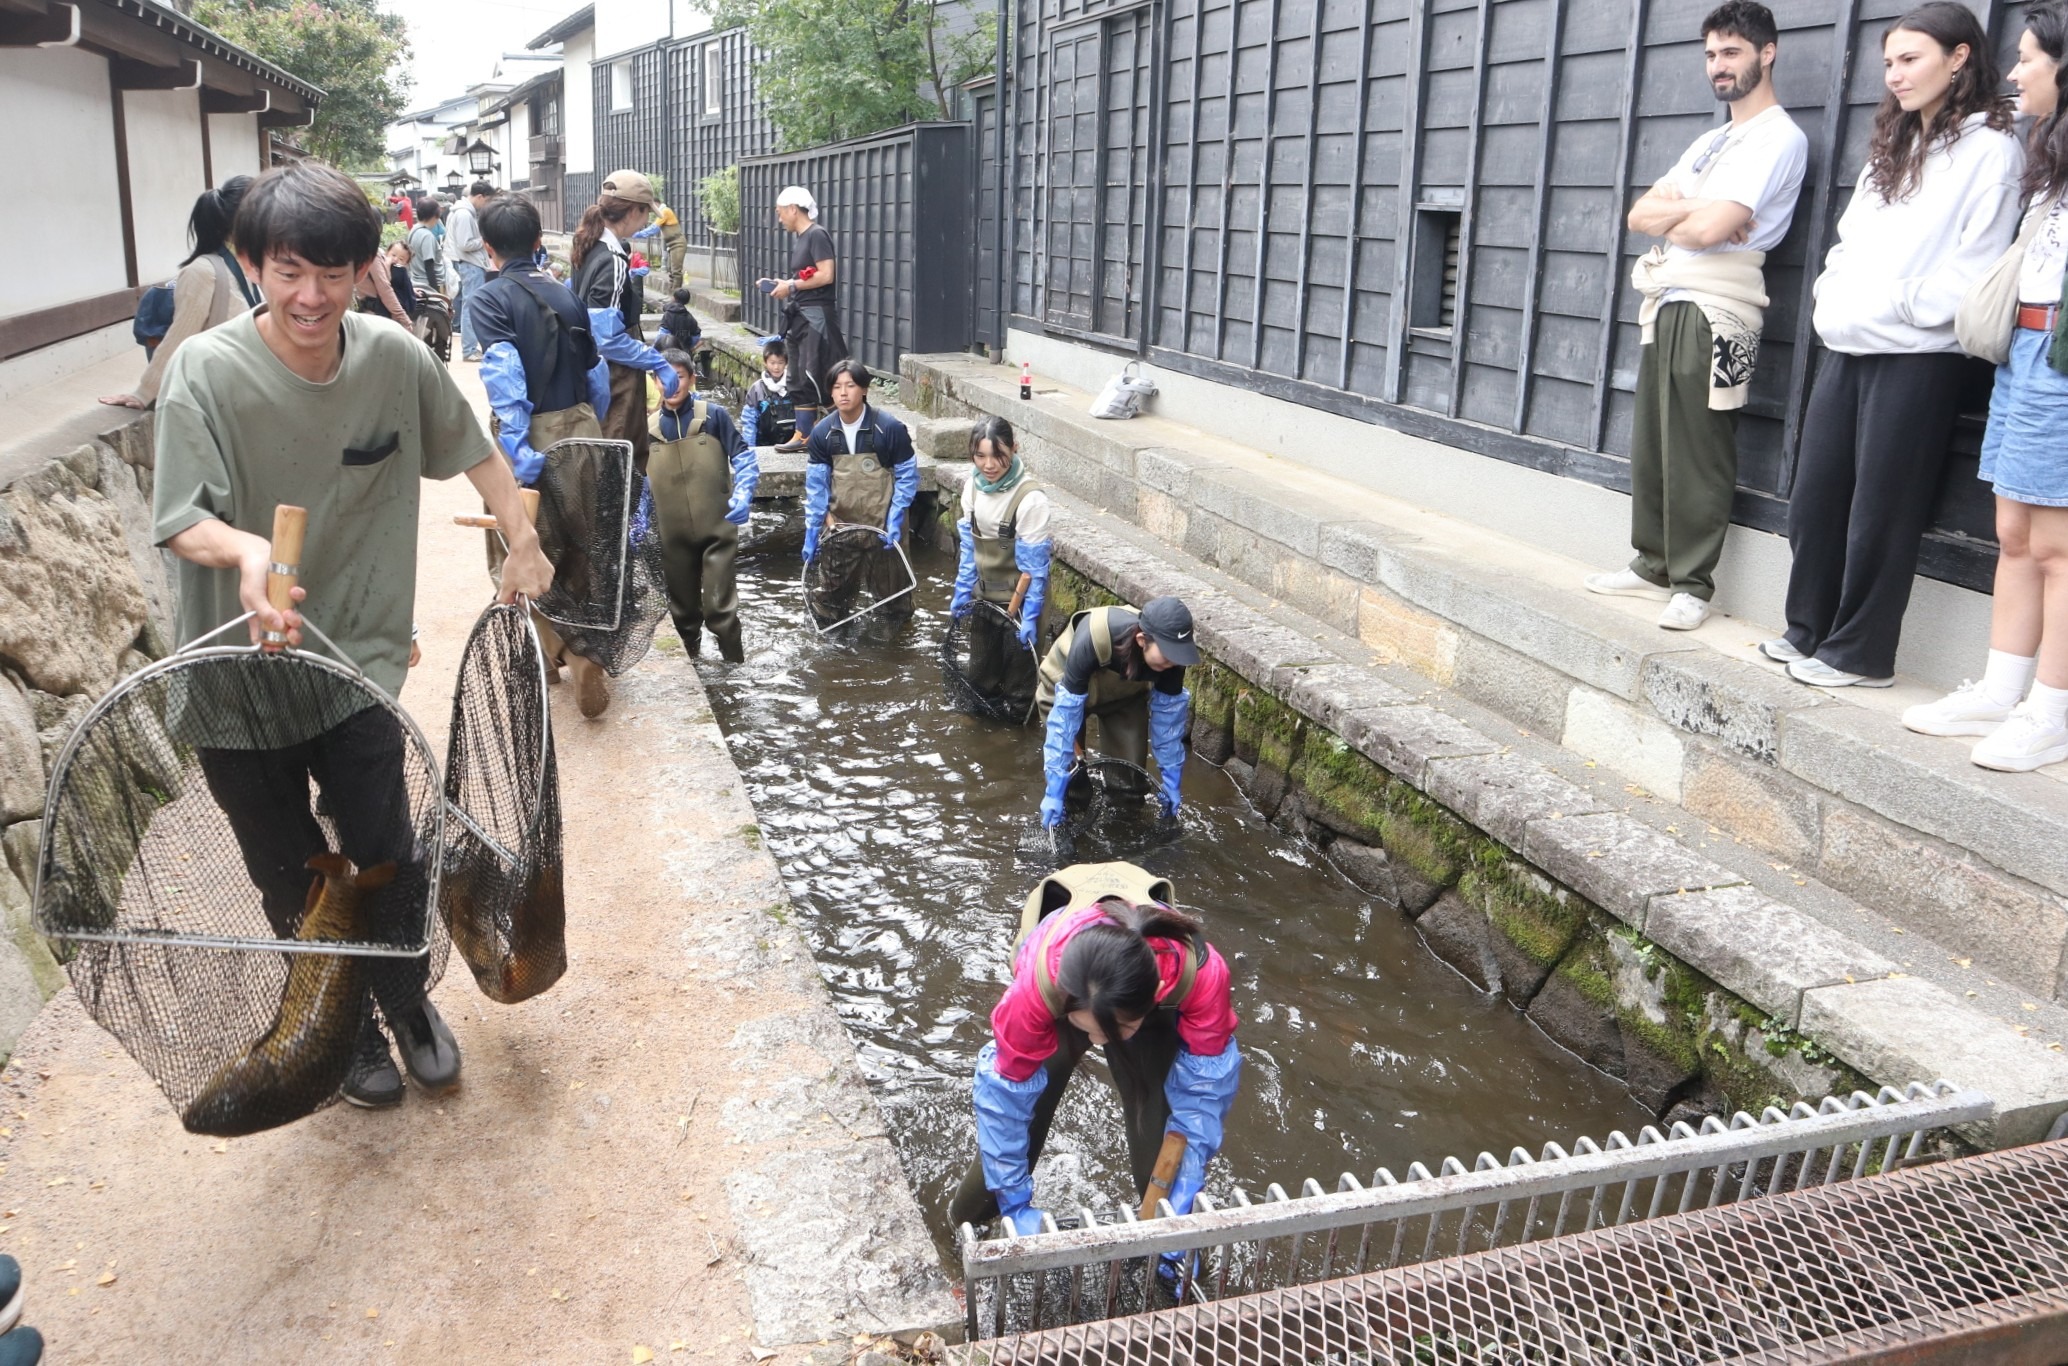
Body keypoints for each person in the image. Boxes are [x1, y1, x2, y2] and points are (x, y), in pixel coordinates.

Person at [151, 161, 552, 1110]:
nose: (310, 295)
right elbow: (181, 519)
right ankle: (347, 1032)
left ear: (367, 269)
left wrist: (523, 535)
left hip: (354, 663)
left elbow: (477, 456)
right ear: (253, 265)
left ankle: (405, 999)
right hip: (233, 672)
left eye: (333, 273)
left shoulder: (392, 359)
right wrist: (247, 552)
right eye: (289, 270)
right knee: (294, 872)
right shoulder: (203, 375)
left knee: (386, 848)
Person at [1772, 1, 2022, 687]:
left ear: (1959, 57)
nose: (1895, 74)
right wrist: (1833, 300)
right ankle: (1807, 631)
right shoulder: (1896, 140)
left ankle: (1861, 654)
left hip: (1922, 358)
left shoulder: (1992, 150)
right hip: (1851, 343)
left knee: (1884, 508)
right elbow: (1848, 245)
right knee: (1817, 496)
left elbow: (1969, 277)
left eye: (1910, 59)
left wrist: (1881, 306)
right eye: (1888, 62)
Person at [1583, 2, 1808, 631]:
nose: (1719, 65)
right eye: (1712, 54)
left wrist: (1689, 215)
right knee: (1653, 439)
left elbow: (1709, 229)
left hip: (1722, 306)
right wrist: (1693, 214)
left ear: (1767, 53)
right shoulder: (1712, 141)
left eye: (1732, 52)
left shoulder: (1778, 138)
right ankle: (1651, 561)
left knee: (1700, 444)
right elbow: (1638, 216)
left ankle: (1693, 582)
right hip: (1670, 296)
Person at [949, 863, 1241, 1292]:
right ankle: (958, 1237)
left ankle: (1175, 1252)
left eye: (1113, 1032)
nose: (1100, 1043)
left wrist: (1190, 1172)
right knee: (1000, 1168)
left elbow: (1205, 1087)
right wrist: (1013, 1201)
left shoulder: (1198, 975)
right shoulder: (1037, 989)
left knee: (1161, 1159)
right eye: (1090, 1030)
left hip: (1142, 1005)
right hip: (1068, 998)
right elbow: (1004, 1102)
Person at [1904, 4, 2068, 766]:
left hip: (2060, 357)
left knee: (2058, 545)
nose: (2014, 72)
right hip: (2024, 348)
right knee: (2012, 534)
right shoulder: (2051, 160)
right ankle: (2003, 691)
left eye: (2029, 57)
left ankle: (2051, 710)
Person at [470, 192, 619, 718]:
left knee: (521, 545)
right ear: (537, 241)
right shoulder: (565, 294)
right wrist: (588, 428)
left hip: (529, 433)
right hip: (582, 427)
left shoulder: (489, 299)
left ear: (488, 248)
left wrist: (516, 445)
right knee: (583, 542)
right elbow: (597, 376)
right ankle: (587, 648)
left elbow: (504, 374)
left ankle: (553, 652)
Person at [101, 177, 260, 409]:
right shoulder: (203, 271)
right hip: (218, 399)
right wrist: (144, 393)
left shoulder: (251, 265)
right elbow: (179, 337)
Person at [1035, 597, 1196, 823]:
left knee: (1129, 785)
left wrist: (1171, 776)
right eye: (1168, 653)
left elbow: (1168, 721)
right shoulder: (1093, 639)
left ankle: (1122, 832)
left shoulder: (1172, 662)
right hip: (1063, 693)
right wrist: (1054, 788)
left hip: (1123, 697)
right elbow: (1065, 717)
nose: (1173, 662)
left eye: (1178, 655)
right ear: (1142, 640)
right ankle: (1068, 818)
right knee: (1072, 784)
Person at [650, 348, 757, 661]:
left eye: (679, 377)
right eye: (664, 379)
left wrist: (744, 491)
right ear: (655, 381)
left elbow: (744, 457)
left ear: (692, 379)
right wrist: (639, 523)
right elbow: (639, 484)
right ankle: (693, 666)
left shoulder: (714, 416)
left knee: (719, 611)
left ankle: (736, 671)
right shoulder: (648, 429)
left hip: (717, 535)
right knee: (682, 615)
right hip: (672, 540)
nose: (672, 386)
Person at [570, 169, 681, 469]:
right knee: (620, 455)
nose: (646, 222)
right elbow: (606, 338)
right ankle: (622, 517)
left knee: (602, 449)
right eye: (646, 213)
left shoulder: (586, 243)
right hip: (616, 372)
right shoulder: (613, 258)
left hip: (590, 365)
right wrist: (655, 361)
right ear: (633, 211)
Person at [801, 359, 919, 623]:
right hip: (840, 530)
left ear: (864, 389)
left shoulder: (888, 428)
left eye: (850, 385)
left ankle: (892, 653)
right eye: (837, 386)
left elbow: (908, 475)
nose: (843, 392)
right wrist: (814, 529)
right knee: (830, 603)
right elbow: (817, 486)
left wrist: (897, 514)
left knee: (894, 603)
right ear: (830, 392)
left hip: (883, 530)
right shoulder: (822, 433)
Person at [951, 417, 1052, 707]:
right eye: (980, 456)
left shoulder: (1031, 499)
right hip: (984, 596)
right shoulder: (972, 487)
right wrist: (962, 591)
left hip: (1021, 603)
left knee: (1019, 688)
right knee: (980, 677)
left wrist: (1030, 616)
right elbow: (969, 549)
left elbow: (1034, 570)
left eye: (998, 455)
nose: (989, 465)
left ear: (1014, 449)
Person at [757, 186, 848, 452]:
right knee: (797, 376)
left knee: (820, 374)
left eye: (779, 212)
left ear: (793, 209)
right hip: (800, 316)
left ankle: (843, 433)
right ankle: (804, 434)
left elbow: (826, 274)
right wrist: (783, 284)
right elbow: (807, 278)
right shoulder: (803, 238)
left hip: (816, 316)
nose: (779, 218)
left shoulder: (817, 235)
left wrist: (792, 287)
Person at [449, 180, 495, 362]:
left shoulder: (462, 212)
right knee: (470, 305)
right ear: (479, 197)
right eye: (487, 201)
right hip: (470, 263)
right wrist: (484, 240)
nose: (486, 206)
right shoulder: (464, 215)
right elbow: (465, 244)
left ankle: (470, 347)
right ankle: (469, 349)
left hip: (469, 263)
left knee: (470, 304)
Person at [740, 336, 797, 449]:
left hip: (791, 444)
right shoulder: (757, 389)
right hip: (764, 444)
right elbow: (749, 420)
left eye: (780, 363)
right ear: (765, 362)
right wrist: (750, 447)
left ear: (786, 363)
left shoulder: (794, 386)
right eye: (772, 363)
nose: (776, 367)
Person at [354, 241, 412, 326]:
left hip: (373, 311)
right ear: (387, 252)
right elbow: (385, 289)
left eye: (401, 259)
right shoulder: (373, 256)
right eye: (394, 255)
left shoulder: (366, 252)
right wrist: (404, 319)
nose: (395, 259)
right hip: (376, 314)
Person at [657, 286, 699, 353]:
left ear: (674, 298)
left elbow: (662, 335)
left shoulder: (667, 315)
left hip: (668, 352)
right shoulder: (689, 317)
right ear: (687, 301)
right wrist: (689, 346)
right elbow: (696, 335)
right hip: (684, 352)